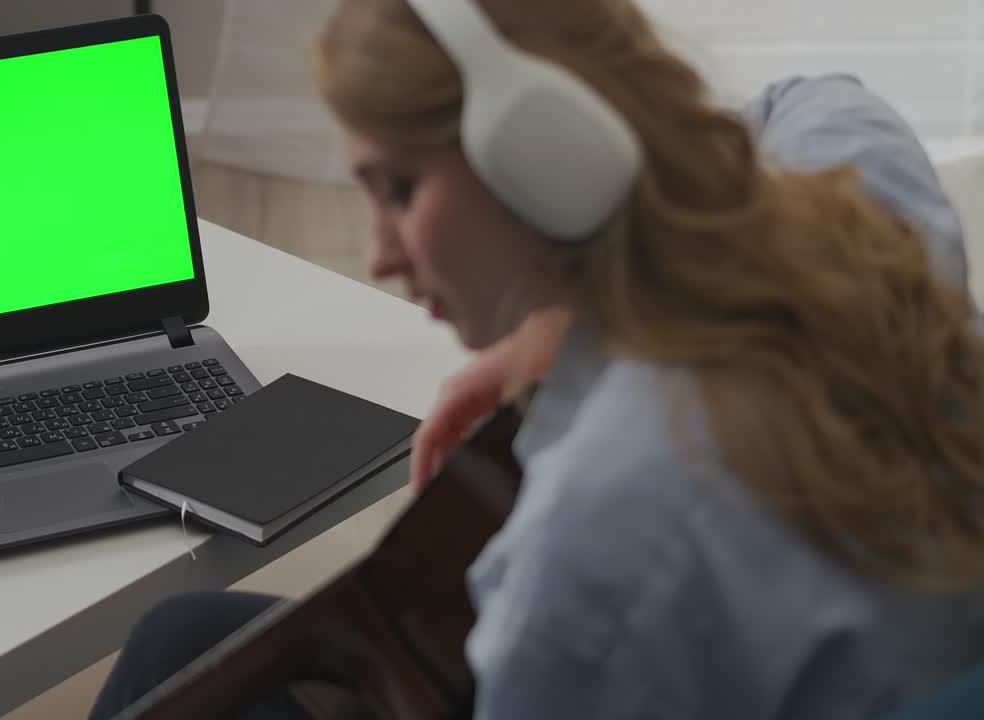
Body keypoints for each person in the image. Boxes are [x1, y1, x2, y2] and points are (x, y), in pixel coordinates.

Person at [90, 0, 984, 717]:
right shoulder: (875, 209)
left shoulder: (601, 536)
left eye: (400, 189)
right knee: (185, 635)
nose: (380, 254)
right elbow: (812, 101)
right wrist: (555, 320)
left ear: (543, 156)